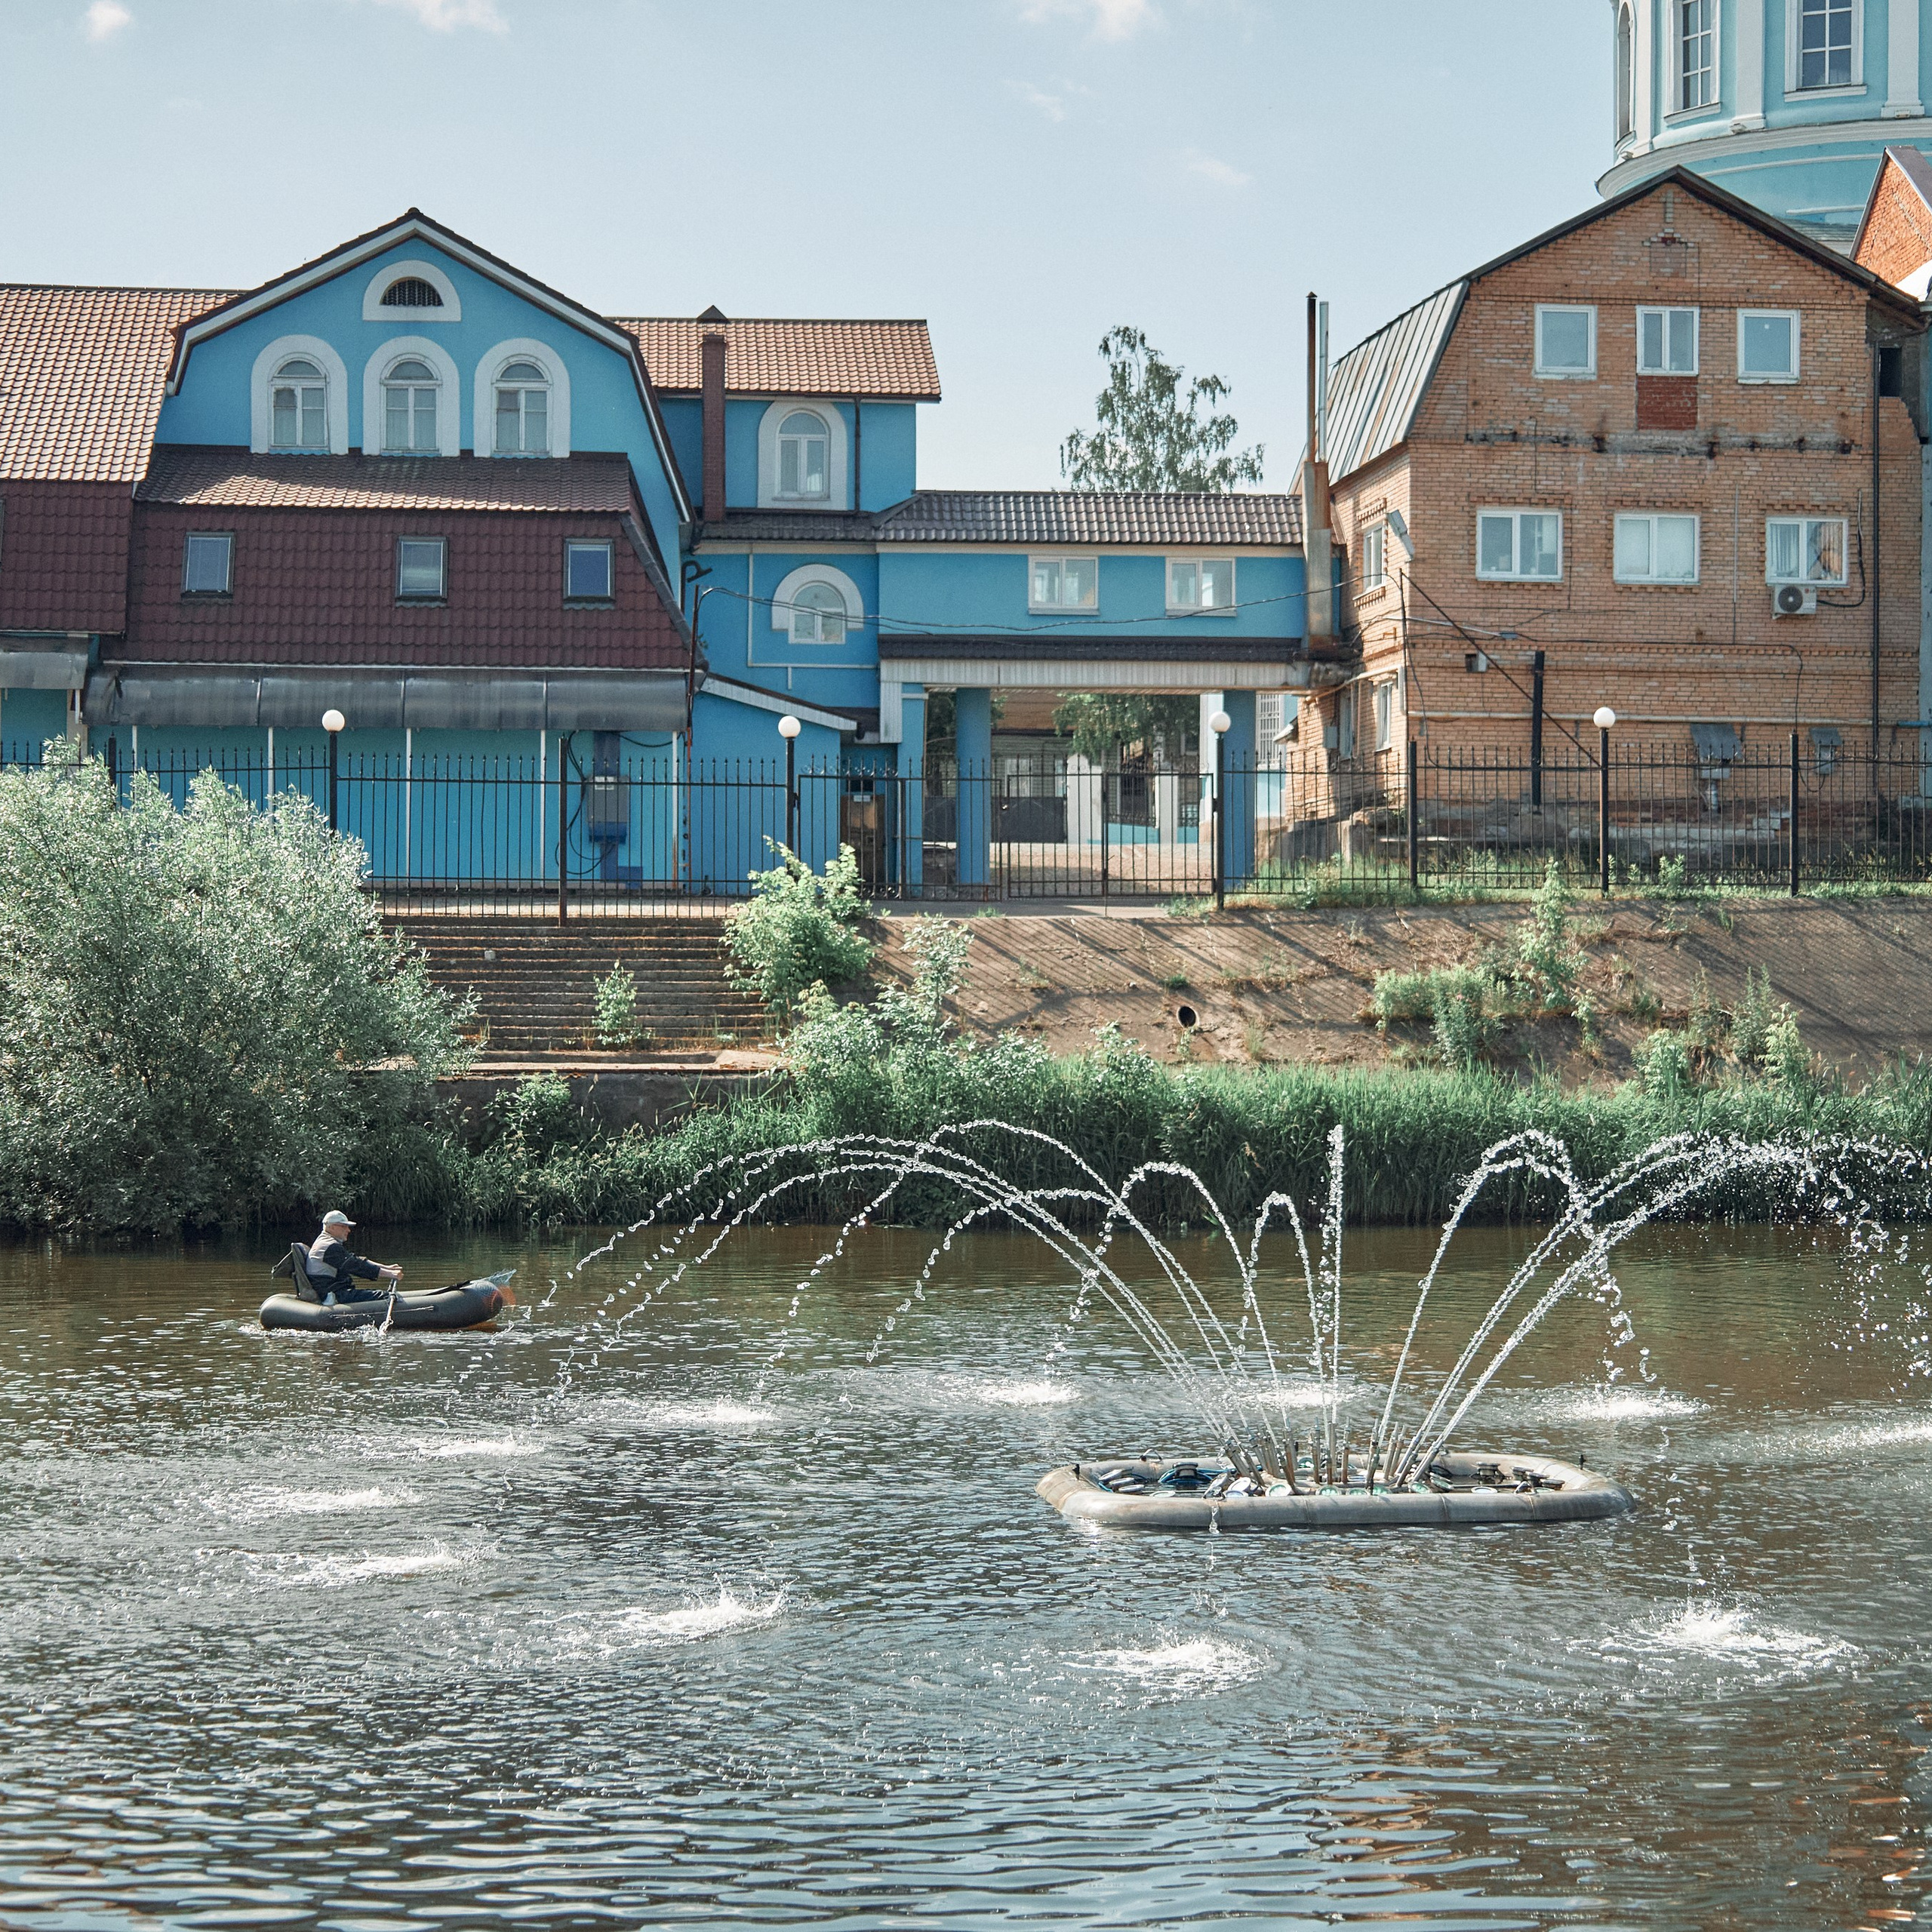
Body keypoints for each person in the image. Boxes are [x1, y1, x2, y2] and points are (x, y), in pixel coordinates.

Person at [303, 1211, 404, 1304]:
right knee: (386, 1296)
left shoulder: (327, 1243)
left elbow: (355, 1260)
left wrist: (387, 1268)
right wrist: (390, 1274)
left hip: (336, 1291)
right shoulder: (329, 1246)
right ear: (332, 1227)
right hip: (334, 1295)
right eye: (344, 1226)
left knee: (382, 1294)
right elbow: (356, 1266)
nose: (348, 1230)